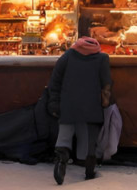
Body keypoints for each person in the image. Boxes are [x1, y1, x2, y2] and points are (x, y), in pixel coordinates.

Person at [48, 36, 112, 184]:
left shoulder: (69, 55)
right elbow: (106, 82)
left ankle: (61, 161)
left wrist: (54, 102)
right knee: (89, 137)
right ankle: (89, 171)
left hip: (68, 101)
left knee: (65, 133)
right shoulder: (102, 58)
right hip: (91, 103)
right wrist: (106, 100)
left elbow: (55, 79)